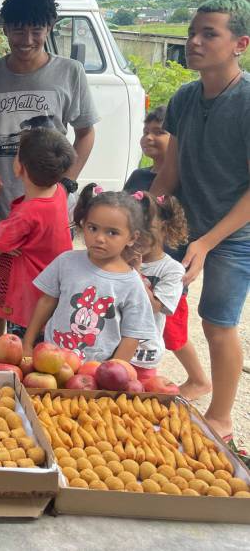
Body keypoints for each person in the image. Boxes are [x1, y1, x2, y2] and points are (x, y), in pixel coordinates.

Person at [151, 0, 250, 444]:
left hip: (235, 231)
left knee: (217, 321)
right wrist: (143, 212)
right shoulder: (185, 96)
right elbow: (171, 168)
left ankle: (222, 416)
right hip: (183, 221)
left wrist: (208, 243)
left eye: (209, 33)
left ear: (239, 44)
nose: (194, 41)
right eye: (192, 31)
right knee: (143, 293)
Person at [0, 0, 99, 348]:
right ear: (4, 29)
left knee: (46, 288)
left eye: (36, 29)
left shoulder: (70, 72)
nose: (26, 38)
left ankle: (36, 351)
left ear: (50, 27)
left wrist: (65, 184)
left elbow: (86, 132)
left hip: (46, 207)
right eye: (17, 29)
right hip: (1, 201)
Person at [123, 106, 210, 399]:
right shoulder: (138, 176)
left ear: (177, 138)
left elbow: (193, 223)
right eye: (146, 132)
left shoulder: (188, 180)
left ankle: (199, 380)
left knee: (172, 332)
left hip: (168, 268)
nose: (149, 137)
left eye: (159, 132)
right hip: (138, 260)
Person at [23, 186, 156, 363]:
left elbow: (131, 336)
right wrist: (27, 343)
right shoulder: (66, 262)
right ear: (83, 225)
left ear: (132, 237)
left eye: (112, 232)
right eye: (93, 228)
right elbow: (46, 301)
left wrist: (113, 372)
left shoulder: (131, 284)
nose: (100, 238)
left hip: (94, 373)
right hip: (49, 359)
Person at [0, 128, 75, 341]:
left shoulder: (27, 214)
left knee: (23, 358)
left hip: (27, 305)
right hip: (51, 297)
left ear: (19, 167)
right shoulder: (59, 191)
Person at [128, 192, 190, 382]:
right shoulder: (119, 256)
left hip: (142, 355)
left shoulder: (171, 269)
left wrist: (135, 272)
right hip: (111, 347)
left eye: (147, 229)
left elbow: (156, 306)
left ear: (164, 228)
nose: (138, 236)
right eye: (132, 227)